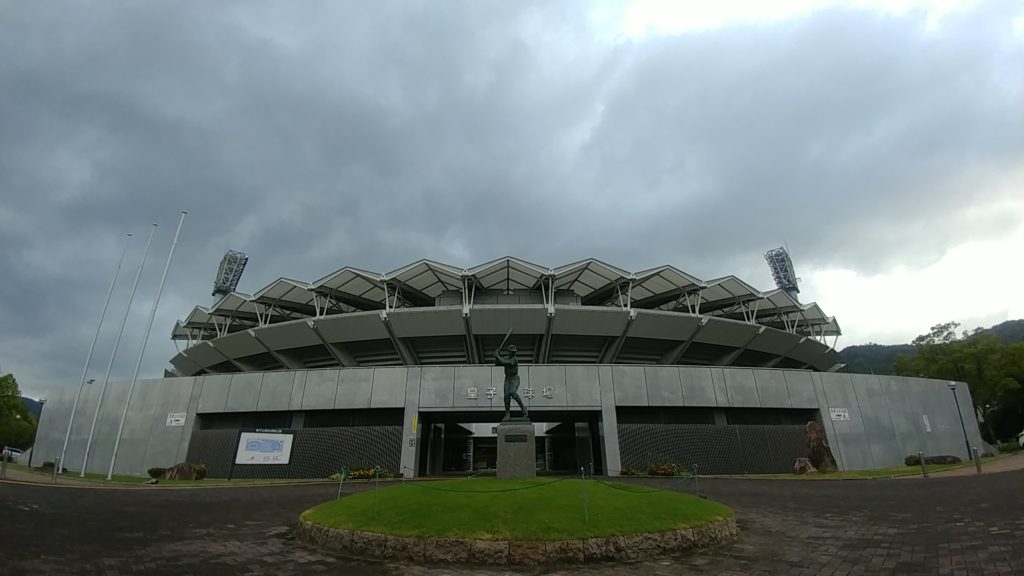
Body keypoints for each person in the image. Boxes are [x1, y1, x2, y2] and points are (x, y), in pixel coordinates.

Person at [495, 344, 528, 420]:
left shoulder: (515, 359)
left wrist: (498, 356)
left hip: (514, 378)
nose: (514, 353)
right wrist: (497, 354)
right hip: (507, 378)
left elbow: (506, 362)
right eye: (512, 352)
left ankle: (523, 409)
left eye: (514, 352)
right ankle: (507, 413)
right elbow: (497, 363)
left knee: (512, 392)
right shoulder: (506, 357)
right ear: (509, 352)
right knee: (506, 396)